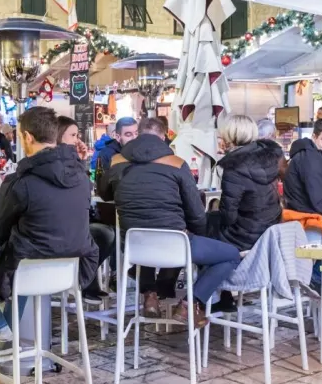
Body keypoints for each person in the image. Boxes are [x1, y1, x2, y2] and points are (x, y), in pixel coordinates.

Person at [103, 115, 241, 326]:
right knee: (230, 255)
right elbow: (196, 213)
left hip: (135, 247)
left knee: (147, 230)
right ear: (163, 137)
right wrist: (199, 233)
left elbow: (104, 193)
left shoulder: (117, 161)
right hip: (175, 247)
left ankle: (150, 295)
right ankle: (190, 304)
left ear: (139, 135)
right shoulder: (176, 164)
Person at [0, 107, 98, 342]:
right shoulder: (82, 178)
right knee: (20, 252)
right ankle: (3, 333)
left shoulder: (20, 182)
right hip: (74, 269)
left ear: (27, 137)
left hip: (28, 270)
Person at [57, 114, 113, 303]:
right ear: (59, 136)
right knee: (102, 234)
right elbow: (79, 191)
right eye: (73, 135)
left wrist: (80, 161)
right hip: (61, 226)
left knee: (107, 232)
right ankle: (84, 281)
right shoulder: (58, 163)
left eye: (77, 135)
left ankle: (86, 279)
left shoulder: (68, 161)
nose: (77, 140)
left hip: (71, 220)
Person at [214, 114, 282, 250]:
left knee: (202, 228)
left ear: (229, 137)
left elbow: (228, 217)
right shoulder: (269, 159)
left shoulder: (233, 167)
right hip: (271, 230)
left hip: (244, 236)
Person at [283, 117, 322, 241]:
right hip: (314, 228)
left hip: (316, 224)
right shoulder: (311, 160)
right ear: (314, 137)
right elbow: (321, 201)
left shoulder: (319, 156)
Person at [91, 117, 138, 183]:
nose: (134, 138)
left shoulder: (141, 151)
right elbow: (102, 184)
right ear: (118, 137)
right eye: (128, 135)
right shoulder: (107, 154)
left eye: (136, 133)